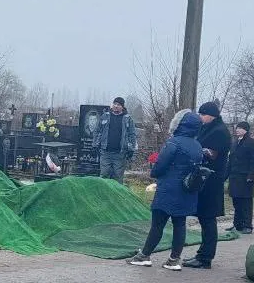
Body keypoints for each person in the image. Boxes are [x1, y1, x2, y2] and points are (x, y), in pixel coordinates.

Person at [129, 110, 204, 270]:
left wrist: (154, 172)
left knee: (158, 223)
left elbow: (160, 166)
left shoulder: (173, 143)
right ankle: (174, 259)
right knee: (180, 224)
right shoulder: (197, 145)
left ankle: (144, 255)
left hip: (168, 189)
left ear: (179, 124)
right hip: (186, 189)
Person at [185, 101, 230, 269]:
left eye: (202, 114)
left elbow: (211, 153)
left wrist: (197, 150)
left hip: (211, 180)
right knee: (205, 219)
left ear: (211, 115)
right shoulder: (209, 128)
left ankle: (205, 257)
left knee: (208, 219)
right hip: (205, 179)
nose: (200, 117)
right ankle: (203, 254)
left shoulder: (219, 132)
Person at [93, 96, 137, 182]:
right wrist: (95, 144)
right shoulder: (105, 116)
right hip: (106, 152)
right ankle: (103, 194)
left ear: (123, 107)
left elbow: (132, 135)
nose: (116, 106)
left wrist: (131, 149)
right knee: (104, 176)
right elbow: (97, 131)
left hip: (120, 154)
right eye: (115, 104)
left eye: (119, 105)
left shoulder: (127, 119)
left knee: (118, 177)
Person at [228, 121, 254, 234]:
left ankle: (247, 225)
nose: (237, 130)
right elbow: (230, 160)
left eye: (240, 128)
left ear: (246, 130)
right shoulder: (234, 142)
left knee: (246, 202)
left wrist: (251, 175)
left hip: (245, 177)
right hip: (234, 176)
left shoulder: (252, 143)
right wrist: (227, 174)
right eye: (237, 128)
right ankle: (237, 224)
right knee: (236, 202)